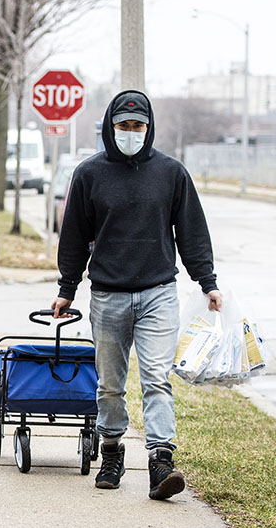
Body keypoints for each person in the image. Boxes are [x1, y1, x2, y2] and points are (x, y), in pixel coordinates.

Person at [52, 90, 223, 500]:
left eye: (138, 126)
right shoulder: (90, 174)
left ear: (149, 128)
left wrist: (208, 282)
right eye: (124, 126)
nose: (131, 133)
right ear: (111, 128)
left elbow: (192, 232)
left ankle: (160, 461)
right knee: (110, 385)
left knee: (156, 379)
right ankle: (111, 450)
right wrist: (67, 288)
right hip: (108, 295)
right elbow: (74, 236)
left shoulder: (171, 173)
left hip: (158, 293)